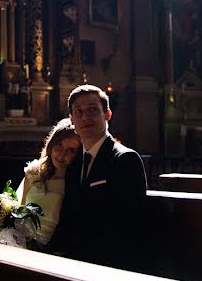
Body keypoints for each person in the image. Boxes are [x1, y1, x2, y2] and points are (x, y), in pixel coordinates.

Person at [60, 84, 148, 269]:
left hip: (113, 265)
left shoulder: (125, 159)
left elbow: (128, 224)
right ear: (72, 120)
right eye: (79, 112)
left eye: (93, 110)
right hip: (77, 263)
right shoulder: (74, 164)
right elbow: (69, 214)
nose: (85, 117)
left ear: (107, 114)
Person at [4, 118, 81, 251]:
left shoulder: (76, 182)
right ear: (51, 145)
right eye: (59, 146)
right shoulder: (34, 172)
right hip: (21, 240)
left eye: (71, 150)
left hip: (53, 247)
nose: (62, 155)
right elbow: (18, 208)